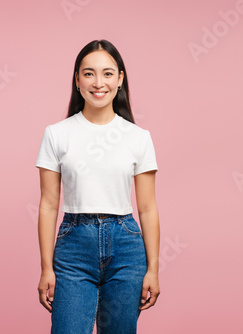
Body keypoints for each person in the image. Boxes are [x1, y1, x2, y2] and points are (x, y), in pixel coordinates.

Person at [35, 39, 160, 333]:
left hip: (127, 248)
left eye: (107, 73)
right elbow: (49, 204)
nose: (98, 82)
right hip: (73, 247)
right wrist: (45, 267)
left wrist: (153, 268)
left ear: (119, 79)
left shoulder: (138, 137)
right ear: (77, 80)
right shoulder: (57, 134)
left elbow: (147, 207)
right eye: (88, 73)